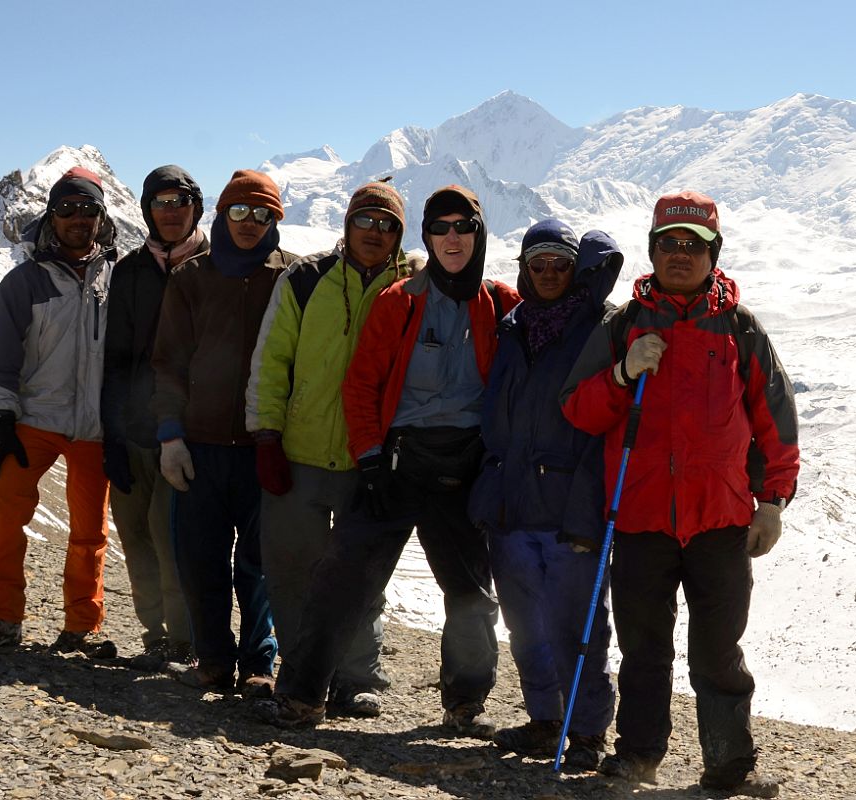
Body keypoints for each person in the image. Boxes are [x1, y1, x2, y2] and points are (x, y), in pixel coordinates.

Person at [561, 191, 799, 798]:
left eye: (693, 245)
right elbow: (578, 410)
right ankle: (638, 756)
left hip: (719, 522)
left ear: (713, 254)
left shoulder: (740, 329)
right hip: (640, 519)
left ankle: (728, 767)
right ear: (652, 249)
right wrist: (622, 374)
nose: (680, 254)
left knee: (718, 653)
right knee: (644, 652)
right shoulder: (623, 326)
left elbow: (775, 418)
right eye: (669, 243)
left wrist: (771, 501)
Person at [258, 185, 519, 736]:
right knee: (343, 579)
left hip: (463, 468)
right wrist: (371, 459)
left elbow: (552, 331)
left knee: (471, 593)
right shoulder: (399, 300)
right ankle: (303, 697)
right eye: (441, 227)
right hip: (396, 466)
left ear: (479, 233)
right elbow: (362, 386)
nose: (453, 237)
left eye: (463, 226)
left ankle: (466, 704)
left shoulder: (500, 303)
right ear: (426, 235)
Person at [246, 179, 416, 717]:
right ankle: (301, 674)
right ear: (348, 225)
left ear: (399, 234)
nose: (375, 232)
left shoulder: (415, 285)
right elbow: (271, 360)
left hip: (375, 457)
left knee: (364, 575)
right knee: (292, 569)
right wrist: (267, 435)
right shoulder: (305, 278)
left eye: (387, 224)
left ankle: (358, 677)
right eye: (365, 220)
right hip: (300, 451)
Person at [468, 220, 621, 767]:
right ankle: (545, 719)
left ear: (575, 269)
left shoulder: (597, 328)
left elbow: (604, 427)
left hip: (568, 509)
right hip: (510, 506)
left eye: (561, 263)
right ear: (524, 270)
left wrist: (589, 512)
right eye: (540, 264)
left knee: (577, 628)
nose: (550, 273)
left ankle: (586, 734)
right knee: (525, 623)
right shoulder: (512, 327)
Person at [151, 169, 298, 698]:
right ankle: (212, 658)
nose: (250, 223)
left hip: (264, 446)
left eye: (263, 214)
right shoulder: (190, 278)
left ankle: (259, 664)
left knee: (260, 565)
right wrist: (170, 436)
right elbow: (167, 363)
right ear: (222, 214)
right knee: (200, 559)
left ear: (275, 219)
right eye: (240, 211)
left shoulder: (293, 278)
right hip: (200, 445)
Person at [0, 166, 118, 659]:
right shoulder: (24, 282)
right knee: (5, 513)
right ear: (51, 216)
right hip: (32, 423)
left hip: (96, 428)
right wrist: (1, 421)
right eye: (67, 209)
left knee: (90, 532)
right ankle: (1, 616)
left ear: (101, 217)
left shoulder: (120, 278)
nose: (78, 219)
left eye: (88, 209)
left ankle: (82, 629)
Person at [101, 165, 206, 671]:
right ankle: (155, 636)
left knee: (172, 538)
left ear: (195, 207)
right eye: (160, 202)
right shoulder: (129, 273)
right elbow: (114, 359)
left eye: (179, 201)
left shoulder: (214, 267)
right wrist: (111, 435)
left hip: (189, 432)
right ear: (147, 209)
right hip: (131, 429)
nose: (170, 212)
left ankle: (185, 641)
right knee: (136, 537)